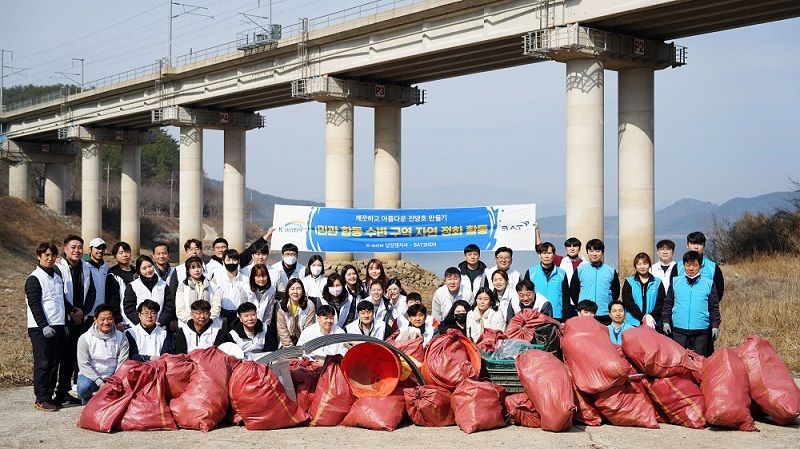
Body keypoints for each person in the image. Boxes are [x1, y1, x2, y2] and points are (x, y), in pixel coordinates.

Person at [55, 234, 96, 406]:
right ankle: (51, 395)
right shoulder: (58, 268)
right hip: (65, 318)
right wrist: (72, 311)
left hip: (81, 319)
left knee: (72, 357)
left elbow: (92, 292)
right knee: (59, 356)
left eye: (80, 247)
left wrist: (83, 312)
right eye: (73, 247)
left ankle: (64, 392)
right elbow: (57, 294)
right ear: (65, 249)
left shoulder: (86, 267)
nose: (77, 250)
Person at [26, 242, 68, 411]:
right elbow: (34, 304)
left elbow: (60, 301)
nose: (50, 259)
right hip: (41, 328)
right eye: (46, 255)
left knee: (54, 363)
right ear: (39, 256)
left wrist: (67, 316)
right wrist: (43, 325)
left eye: (53, 256)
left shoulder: (57, 277)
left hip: (58, 325)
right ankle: (41, 398)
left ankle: (49, 396)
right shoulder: (34, 278)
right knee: (43, 363)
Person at [662, 251, 720, 357]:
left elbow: (713, 307)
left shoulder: (709, 283)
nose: (691, 268)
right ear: (684, 265)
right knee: (679, 362)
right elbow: (668, 304)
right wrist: (666, 321)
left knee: (698, 363)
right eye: (688, 265)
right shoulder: (675, 281)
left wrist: (715, 326)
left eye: (694, 265)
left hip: (701, 331)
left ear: (700, 266)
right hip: (679, 330)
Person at [76, 304, 129, 404]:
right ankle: (88, 400)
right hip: (91, 377)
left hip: (114, 376)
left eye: (109, 319)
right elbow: (84, 365)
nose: (106, 322)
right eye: (102, 319)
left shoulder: (122, 337)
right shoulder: (85, 338)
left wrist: (113, 380)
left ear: (113, 319)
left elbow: (123, 362)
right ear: (95, 319)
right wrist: (100, 383)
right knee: (83, 387)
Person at [571, 239, 620, 325]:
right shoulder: (580, 270)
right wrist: (581, 307)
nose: (594, 254)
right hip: (586, 316)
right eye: (591, 251)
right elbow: (573, 291)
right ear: (587, 252)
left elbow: (615, 292)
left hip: (605, 316)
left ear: (602, 252)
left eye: (598, 251)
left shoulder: (611, 271)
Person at [524, 242, 572, 321]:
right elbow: (526, 295)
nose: (546, 256)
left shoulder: (561, 273)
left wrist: (565, 319)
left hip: (557, 316)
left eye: (549, 253)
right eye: (544, 253)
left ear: (553, 255)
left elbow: (566, 297)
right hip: (536, 315)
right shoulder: (531, 272)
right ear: (539, 255)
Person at [123, 255, 174, 328]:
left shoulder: (163, 285)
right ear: (139, 271)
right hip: (139, 329)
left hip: (160, 327)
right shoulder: (133, 286)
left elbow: (168, 307)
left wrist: (160, 322)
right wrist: (142, 323)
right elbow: (129, 308)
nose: (148, 270)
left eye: (150, 266)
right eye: (144, 268)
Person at [621, 252, 665, 329]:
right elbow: (628, 302)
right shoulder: (629, 282)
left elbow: (661, 303)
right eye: (639, 264)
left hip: (653, 323)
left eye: (645, 263)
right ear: (635, 266)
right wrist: (642, 317)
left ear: (649, 265)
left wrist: (651, 317)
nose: (642, 267)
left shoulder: (658, 282)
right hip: (633, 323)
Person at [677, 232, 725, 301]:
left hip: (704, 311)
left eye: (700, 244)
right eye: (693, 243)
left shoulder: (713, 267)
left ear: (704, 246)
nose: (696, 247)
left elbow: (719, 292)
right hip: (681, 311)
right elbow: (672, 293)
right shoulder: (678, 267)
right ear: (687, 245)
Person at [175, 256, 218, 329]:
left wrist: (207, 320)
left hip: (209, 325)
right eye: (193, 268)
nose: (197, 270)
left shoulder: (213, 286)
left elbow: (216, 307)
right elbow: (180, 309)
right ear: (188, 270)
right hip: (187, 325)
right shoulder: (182, 287)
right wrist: (192, 321)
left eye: (199, 267)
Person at [243, 264, 279, 341]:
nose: (261, 279)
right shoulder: (246, 289)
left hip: (262, 325)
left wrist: (264, 328)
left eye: (264, 276)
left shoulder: (271, 290)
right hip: (247, 325)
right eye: (258, 276)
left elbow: (268, 313)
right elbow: (243, 311)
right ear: (253, 277)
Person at [276, 278, 316, 347]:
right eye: (292, 289)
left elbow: (308, 328)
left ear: (303, 291)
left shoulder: (309, 305)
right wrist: (290, 349)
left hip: (304, 341)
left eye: (298, 288)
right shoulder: (280, 305)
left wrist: (302, 347)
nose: (295, 292)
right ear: (287, 291)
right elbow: (282, 330)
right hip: (286, 342)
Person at [105, 241, 135, 331]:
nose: (125, 255)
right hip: (123, 319)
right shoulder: (113, 274)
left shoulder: (137, 272)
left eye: (127, 252)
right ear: (115, 256)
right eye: (121, 253)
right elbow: (112, 300)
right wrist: (117, 320)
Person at [214, 249, 250, 322]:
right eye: (228, 260)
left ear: (238, 261)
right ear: (223, 261)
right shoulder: (217, 279)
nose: (231, 262)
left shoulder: (246, 279)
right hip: (220, 317)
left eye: (234, 260)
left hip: (239, 317)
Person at [86, 238, 110, 313]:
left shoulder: (106, 268)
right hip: (88, 312)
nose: (100, 251)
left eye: (102, 248)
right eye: (97, 248)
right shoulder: (84, 266)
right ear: (90, 249)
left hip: (103, 312)